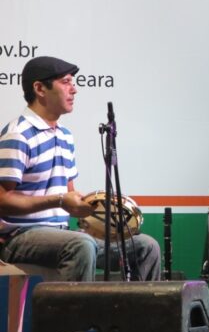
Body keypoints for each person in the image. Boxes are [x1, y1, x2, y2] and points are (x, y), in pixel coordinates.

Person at [0, 56, 161, 282]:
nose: (74, 90)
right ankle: (76, 318)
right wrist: (59, 200)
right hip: (17, 238)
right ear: (39, 89)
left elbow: (69, 196)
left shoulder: (65, 135)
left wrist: (95, 212)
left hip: (62, 233)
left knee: (145, 246)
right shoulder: (19, 134)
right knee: (81, 245)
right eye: (65, 82)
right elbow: (3, 200)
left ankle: (139, 317)